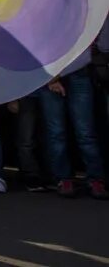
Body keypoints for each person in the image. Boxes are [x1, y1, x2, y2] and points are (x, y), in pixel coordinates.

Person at [36, 16, 109, 199]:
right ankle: (63, 178)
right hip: (50, 74)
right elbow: (37, 41)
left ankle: (95, 179)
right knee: (56, 132)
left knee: (85, 131)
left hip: (79, 72)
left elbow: (102, 45)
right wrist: (51, 78)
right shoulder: (47, 8)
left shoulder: (84, 6)